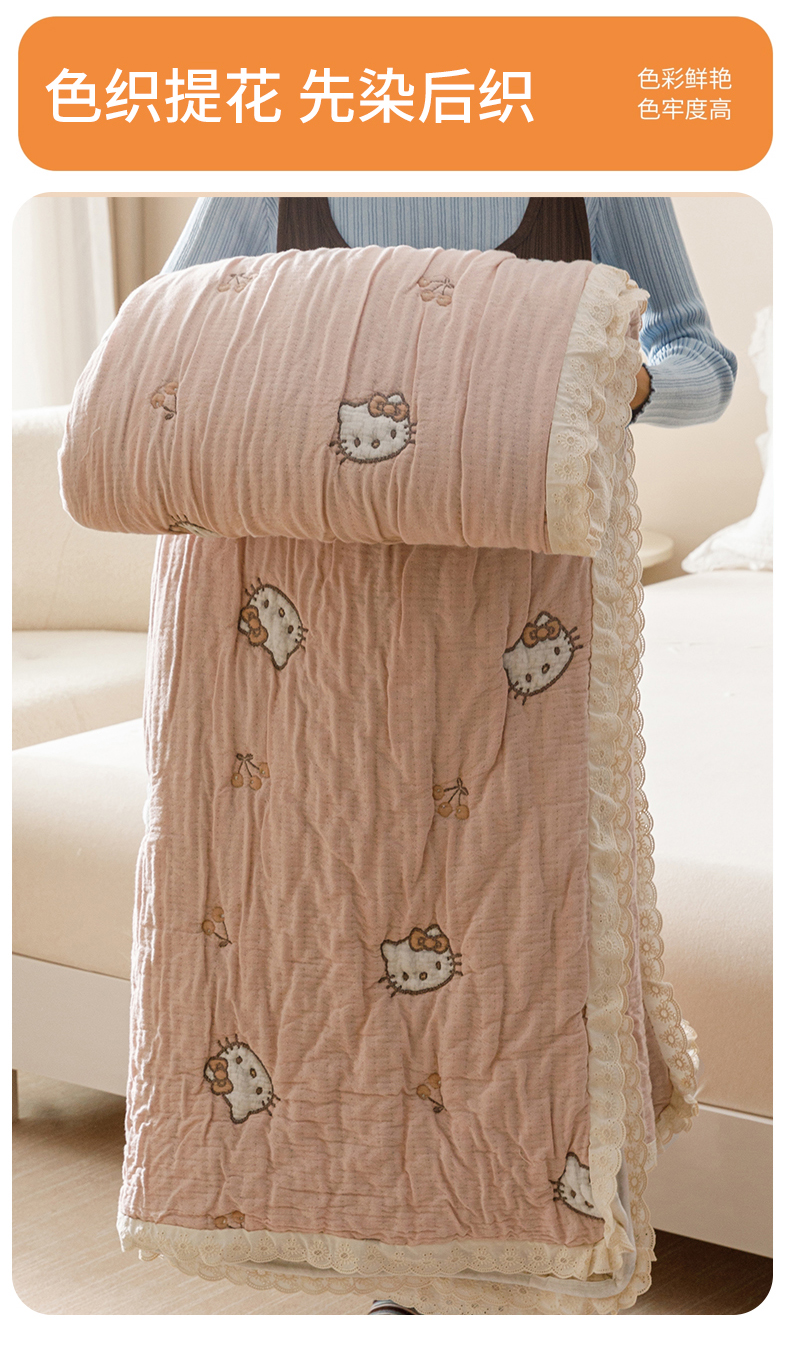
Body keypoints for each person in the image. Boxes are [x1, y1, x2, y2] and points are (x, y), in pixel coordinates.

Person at [160, 196, 735, 1316]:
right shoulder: (274, 156)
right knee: (320, 915)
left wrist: (614, 380)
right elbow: (167, 334)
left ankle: (515, 1236)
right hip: (307, 614)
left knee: (520, 921)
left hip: (519, 606)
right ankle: (388, 1259)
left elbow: (699, 364)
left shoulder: (595, 158)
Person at [163, 196, 737, 429]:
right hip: (309, 582)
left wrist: (618, 385)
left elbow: (703, 364)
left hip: (532, 583)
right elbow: (154, 343)